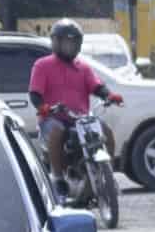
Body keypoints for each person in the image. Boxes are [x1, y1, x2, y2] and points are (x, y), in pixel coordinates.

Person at [25, 19, 112, 196]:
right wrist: (46, 109)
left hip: (80, 119)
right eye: (66, 42)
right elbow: (35, 94)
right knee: (57, 131)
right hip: (53, 118)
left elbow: (96, 86)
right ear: (56, 42)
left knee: (106, 132)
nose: (70, 46)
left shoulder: (84, 67)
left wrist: (108, 95)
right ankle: (58, 178)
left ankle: (105, 174)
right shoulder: (42, 65)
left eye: (73, 42)